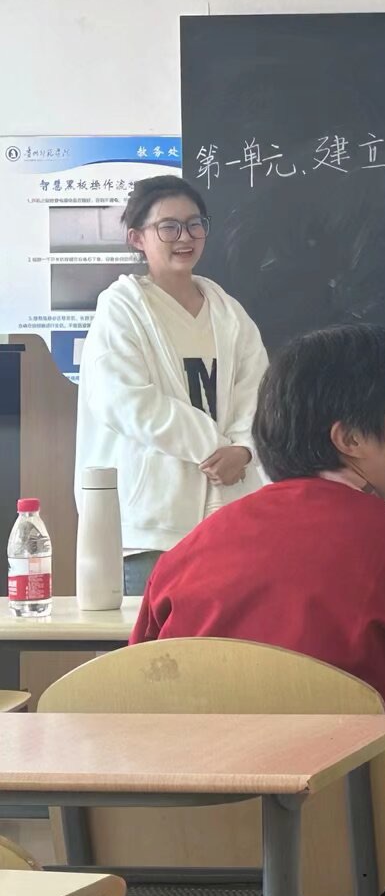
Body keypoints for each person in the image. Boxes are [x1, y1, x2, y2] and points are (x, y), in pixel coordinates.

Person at [129, 324, 385, 896]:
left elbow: (134, 706)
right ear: (350, 438)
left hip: (188, 861)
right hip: (350, 871)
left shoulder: (186, 553)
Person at [76, 175, 268, 594]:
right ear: (137, 238)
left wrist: (244, 449)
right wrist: (215, 447)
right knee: (151, 638)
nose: (185, 237)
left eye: (195, 224)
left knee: (228, 635)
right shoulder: (122, 308)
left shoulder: (229, 313)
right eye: (169, 227)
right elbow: (125, 401)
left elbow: (258, 391)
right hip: (153, 525)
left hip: (229, 518)